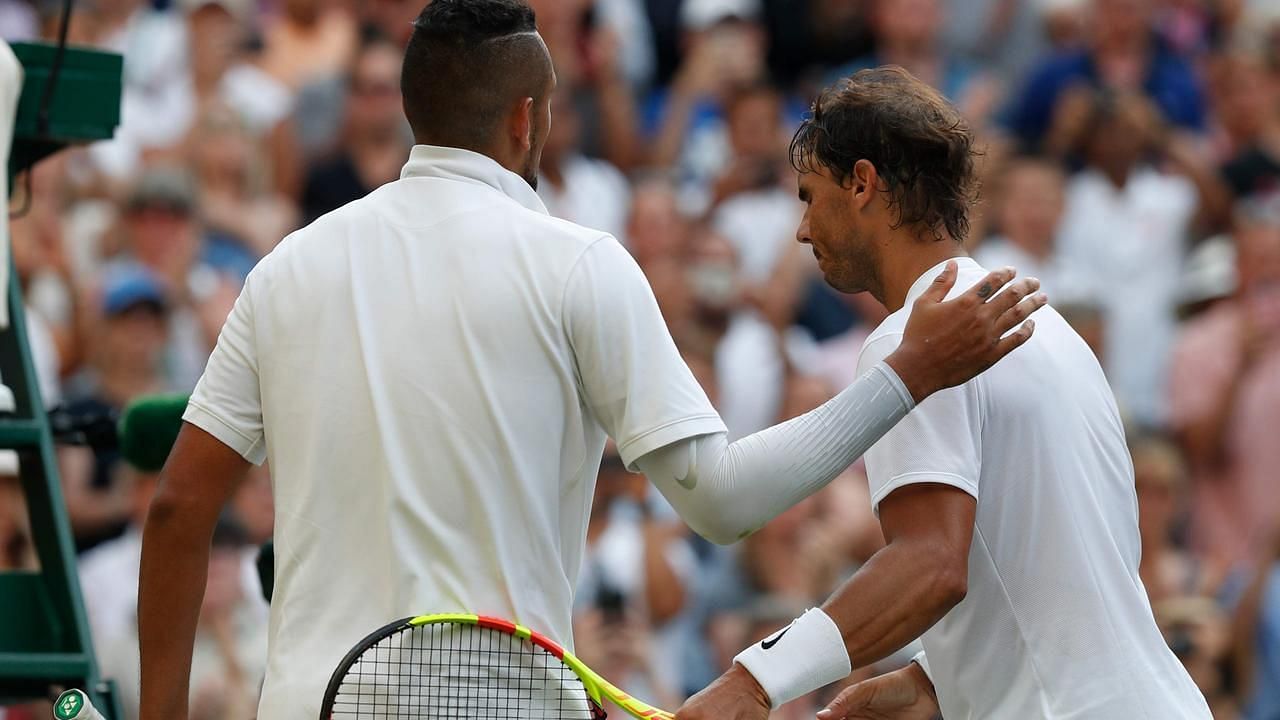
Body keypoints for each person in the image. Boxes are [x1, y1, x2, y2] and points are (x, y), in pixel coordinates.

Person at [135, 4, 1043, 718]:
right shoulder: (579, 263)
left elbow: (179, 507)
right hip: (497, 708)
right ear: (527, 118)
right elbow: (721, 502)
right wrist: (904, 377)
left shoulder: (285, 267)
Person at [676, 66, 1208, 720]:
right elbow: (1068, 570)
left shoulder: (917, 340)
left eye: (810, 197)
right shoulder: (1054, 330)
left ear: (863, 184)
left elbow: (931, 566)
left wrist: (753, 680)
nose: (803, 230)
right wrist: (938, 679)